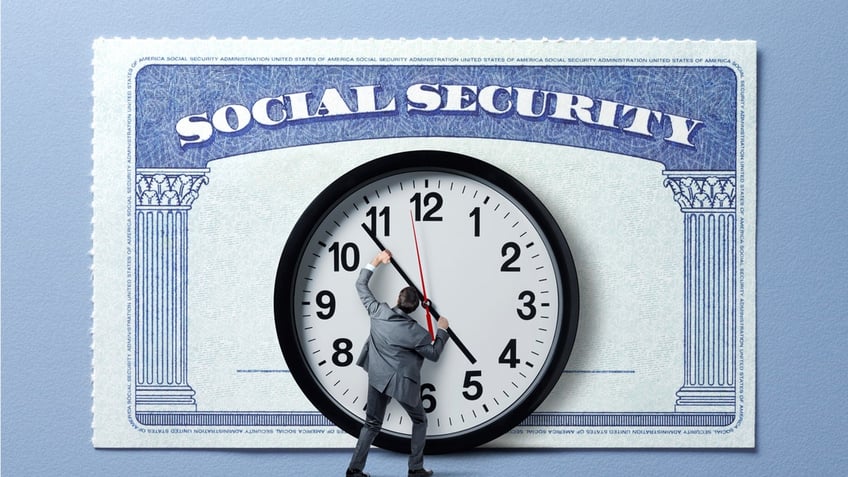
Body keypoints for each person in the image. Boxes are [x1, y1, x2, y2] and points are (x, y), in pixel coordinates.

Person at [346, 250, 449, 477]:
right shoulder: (417, 333)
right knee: (420, 420)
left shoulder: (377, 311)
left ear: (397, 299)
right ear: (415, 309)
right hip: (402, 384)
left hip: (377, 377)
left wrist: (377, 260)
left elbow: (360, 284)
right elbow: (433, 354)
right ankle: (415, 469)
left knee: (371, 424)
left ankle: (354, 471)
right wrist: (442, 330)